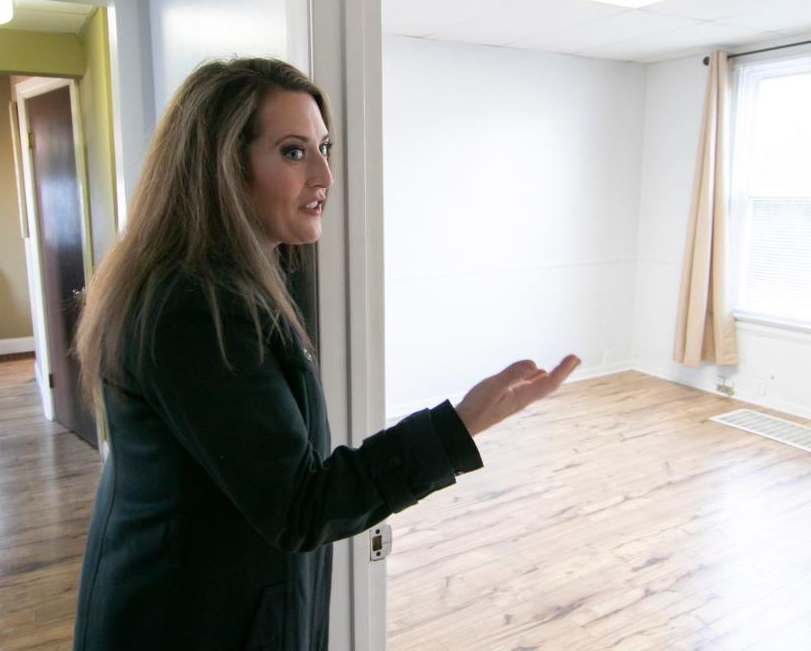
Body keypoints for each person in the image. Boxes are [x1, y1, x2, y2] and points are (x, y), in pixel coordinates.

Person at [71, 57, 580, 651]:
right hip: (188, 618)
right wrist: (461, 424)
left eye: (324, 147)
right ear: (223, 169)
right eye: (293, 151)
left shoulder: (241, 276)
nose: (325, 175)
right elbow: (300, 505)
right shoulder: (192, 305)